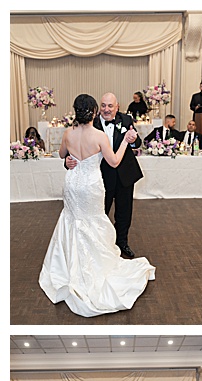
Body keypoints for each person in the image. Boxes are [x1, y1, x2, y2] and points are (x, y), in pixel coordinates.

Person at [41, 94, 155, 317]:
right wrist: (123, 142)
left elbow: (62, 153)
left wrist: (68, 159)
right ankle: (96, 264)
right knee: (95, 221)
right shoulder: (100, 136)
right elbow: (113, 161)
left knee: (73, 220)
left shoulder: (67, 133)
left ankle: (69, 266)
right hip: (92, 185)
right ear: (94, 111)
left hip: (73, 186)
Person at [64, 91, 145, 259]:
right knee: (100, 213)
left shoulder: (126, 120)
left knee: (124, 213)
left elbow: (137, 142)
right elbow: (74, 150)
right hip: (100, 177)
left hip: (124, 174)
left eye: (110, 106)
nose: (106, 110)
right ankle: (101, 246)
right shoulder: (89, 123)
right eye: (103, 105)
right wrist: (67, 161)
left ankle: (122, 242)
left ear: (117, 107)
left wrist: (133, 139)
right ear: (97, 107)